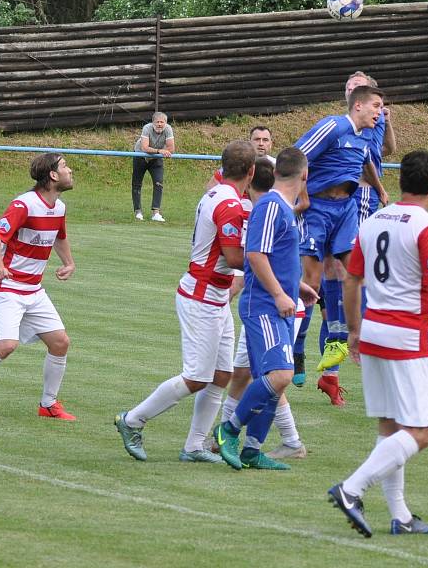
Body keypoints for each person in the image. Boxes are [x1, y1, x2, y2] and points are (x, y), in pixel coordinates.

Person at [327, 150, 428, 538]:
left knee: (390, 426)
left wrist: (355, 331)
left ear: (399, 181)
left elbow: (350, 280)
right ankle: (351, 488)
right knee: (420, 431)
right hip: (407, 336)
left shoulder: (373, 221)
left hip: (374, 331)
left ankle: (401, 516)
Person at [114, 140, 254, 463]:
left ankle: (194, 445)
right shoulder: (229, 204)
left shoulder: (217, 191)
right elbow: (234, 257)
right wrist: (269, 260)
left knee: (221, 374)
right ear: (250, 171)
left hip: (214, 296)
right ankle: (132, 420)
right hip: (201, 296)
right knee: (196, 377)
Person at [0, 153, 77, 422]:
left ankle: (48, 404)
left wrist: (68, 262)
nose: (70, 170)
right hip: (6, 288)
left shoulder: (59, 208)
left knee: (60, 343)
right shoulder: (24, 204)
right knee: (7, 345)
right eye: (65, 166)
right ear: (53, 176)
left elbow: (59, 236)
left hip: (34, 290)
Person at [214, 147, 311, 471]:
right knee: (281, 374)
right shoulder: (271, 206)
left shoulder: (282, 207)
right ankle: (228, 429)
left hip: (279, 305)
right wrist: (281, 295)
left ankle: (253, 450)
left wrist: (297, 286)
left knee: (273, 378)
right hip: (265, 306)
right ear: (304, 175)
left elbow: (276, 257)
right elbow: (255, 255)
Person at [305, 71, 396, 405]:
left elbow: (381, 153)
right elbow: (301, 157)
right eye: (350, 88)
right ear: (352, 102)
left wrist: (383, 188)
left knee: (349, 279)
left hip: (364, 201)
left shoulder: (371, 126)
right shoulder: (336, 128)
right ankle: (333, 354)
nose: (377, 110)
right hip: (349, 202)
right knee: (345, 279)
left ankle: (333, 367)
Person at [132, 111, 175, 222]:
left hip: (156, 158)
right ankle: (138, 211)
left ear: (165, 123)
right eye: (157, 122)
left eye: (162, 122)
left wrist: (161, 152)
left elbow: (171, 149)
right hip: (140, 156)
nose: (160, 124)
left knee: (158, 183)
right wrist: (159, 151)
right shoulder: (147, 128)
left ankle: (156, 213)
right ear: (153, 122)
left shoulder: (168, 129)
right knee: (137, 184)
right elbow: (145, 147)